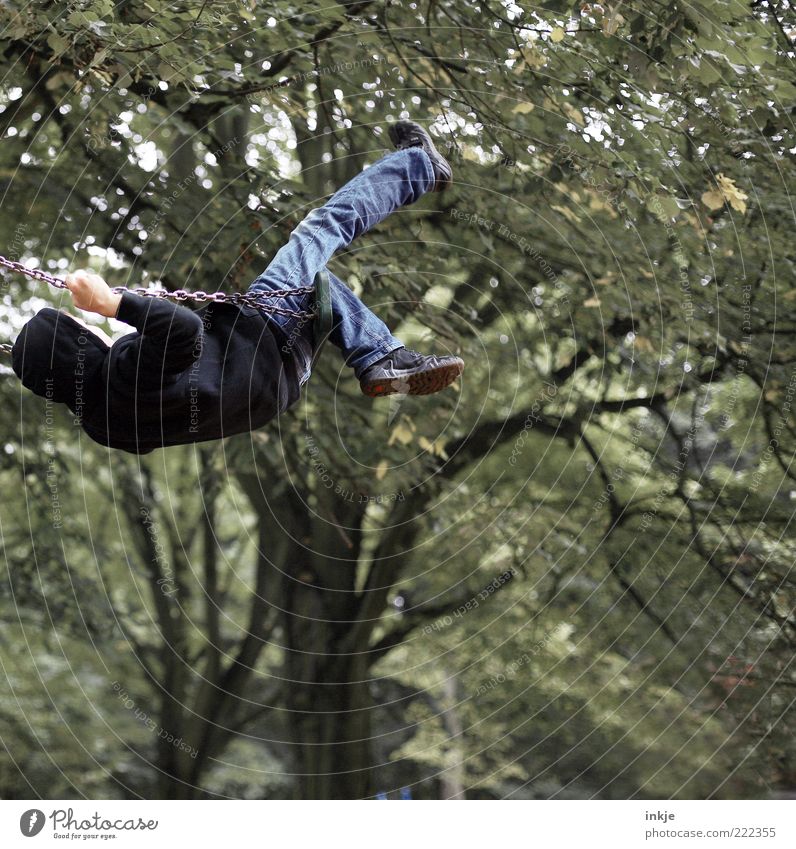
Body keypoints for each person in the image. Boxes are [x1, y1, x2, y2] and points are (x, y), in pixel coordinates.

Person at [11, 120, 464, 455]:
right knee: (321, 229)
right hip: (262, 338)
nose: (87, 330)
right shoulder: (120, 375)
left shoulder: (105, 424)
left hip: (279, 385)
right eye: (75, 326)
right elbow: (183, 332)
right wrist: (112, 304)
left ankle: (379, 357)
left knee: (325, 287)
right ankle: (420, 164)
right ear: (73, 346)